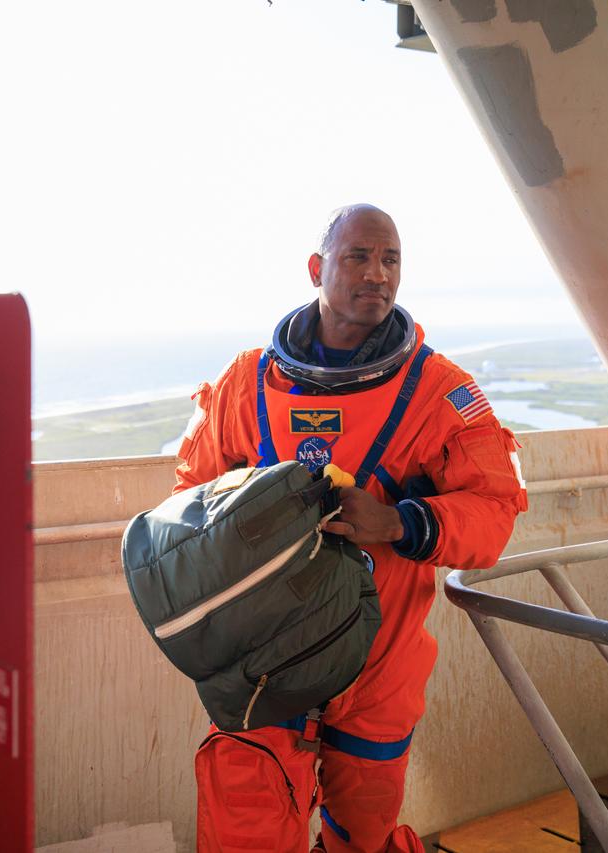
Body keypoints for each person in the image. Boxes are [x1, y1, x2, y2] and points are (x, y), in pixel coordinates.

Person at [175, 203, 527, 852]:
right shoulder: (247, 384)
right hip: (261, 665)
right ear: (317, 268)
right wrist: (238, 520)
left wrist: (396, 521)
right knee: (242, 829)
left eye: (391, 259)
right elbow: (189, 493)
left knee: (360, 835)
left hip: (377, 666)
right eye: (358, 257)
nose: (377, 274)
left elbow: (495, 505)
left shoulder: (438, 392)